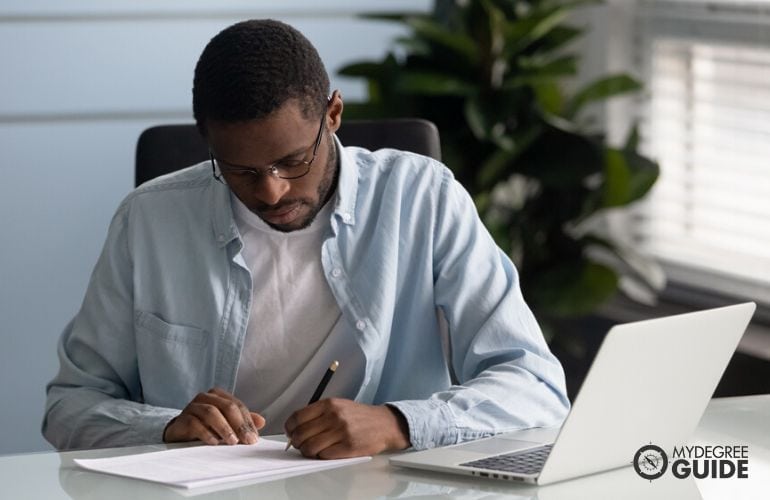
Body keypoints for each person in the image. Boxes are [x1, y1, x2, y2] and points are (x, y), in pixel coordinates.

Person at [42, 19, 569, 458]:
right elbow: (71, 406)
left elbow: (535, 386)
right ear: (208, 141)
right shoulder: (148, 220)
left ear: (333, 115)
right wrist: (162, 428)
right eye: (241, 170)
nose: (272, 191)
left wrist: (397, 424)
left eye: (293, 161)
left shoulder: (424, 198)